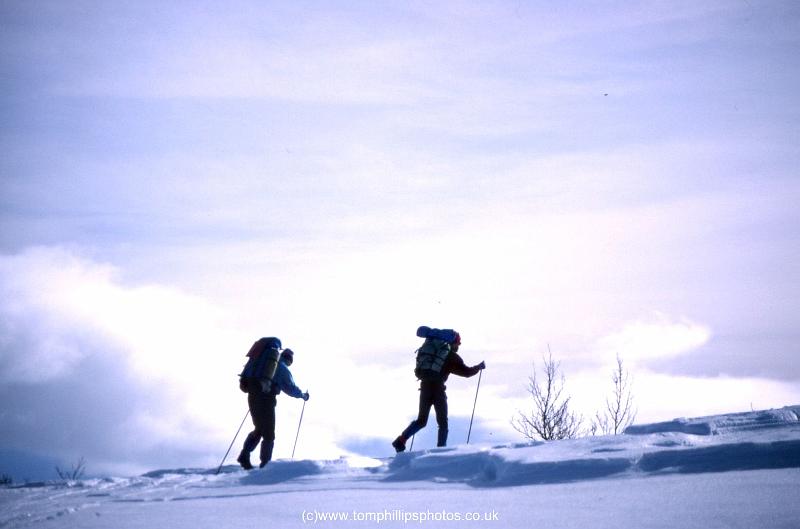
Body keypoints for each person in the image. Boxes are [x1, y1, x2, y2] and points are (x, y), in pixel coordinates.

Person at [392, 331, 485, 452]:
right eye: (458, 343)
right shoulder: (451, 357)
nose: (459, 345)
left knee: (421, 420)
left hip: (425, 388)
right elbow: (466, 372)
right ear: (453, 343)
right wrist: (478, 367)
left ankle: (401, 440)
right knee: (442, 423)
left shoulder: (430, 352)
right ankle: (441, 452)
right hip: (438, 390)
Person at [237, 339, 309, 470]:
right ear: (288, 360)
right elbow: (290, 388)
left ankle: (244, 455)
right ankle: (265, 466)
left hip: (253, 395)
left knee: (259, 428)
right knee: (269, 434)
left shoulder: (262, 364)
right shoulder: (281, 368)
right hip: (267, 399)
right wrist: (303, 395)